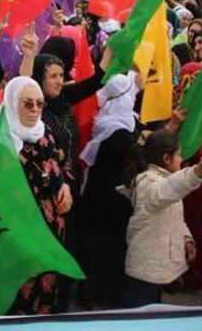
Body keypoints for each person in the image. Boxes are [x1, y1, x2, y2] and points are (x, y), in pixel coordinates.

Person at [0, 76, 74, 315]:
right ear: (12, 103)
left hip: (43, 243)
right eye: (28, 104)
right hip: (6, 245)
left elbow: (59, 166)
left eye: (39, 104)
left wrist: (65, 186)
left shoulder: (45, 136)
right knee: (5, 308)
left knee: (37, 308)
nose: (35, 110)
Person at [122, 128, 202, 307]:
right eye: (178, 155)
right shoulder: (148, 182)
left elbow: (174, 216)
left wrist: (186, 237)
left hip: (155, 267)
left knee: (152, 313)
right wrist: (197, 171)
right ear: (166, 159)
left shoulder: (164, 179)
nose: (182, 160)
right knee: (138, 316)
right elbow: (167, 190)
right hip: (145, 267)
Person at [77, 72, 140, 308]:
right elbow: (131, 151)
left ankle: (92, 290)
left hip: (99, 192)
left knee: (98, 245)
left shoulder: (108, 119)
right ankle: (100, 293)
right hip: (112, 196)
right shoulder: (119, 131)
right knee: (107, 247)